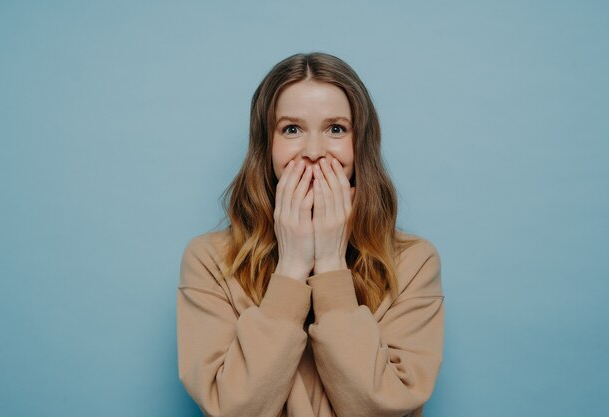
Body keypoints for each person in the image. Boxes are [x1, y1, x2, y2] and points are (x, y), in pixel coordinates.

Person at [177, 52, 445, 417]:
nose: (315, 152)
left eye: (336, 129)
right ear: (266, 146)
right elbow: (234, 410)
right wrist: (291, 267)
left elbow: (381, 408)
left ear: (360, 143)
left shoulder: (414, 261)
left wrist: (332, 265)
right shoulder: (208, 260)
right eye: (291, 129)